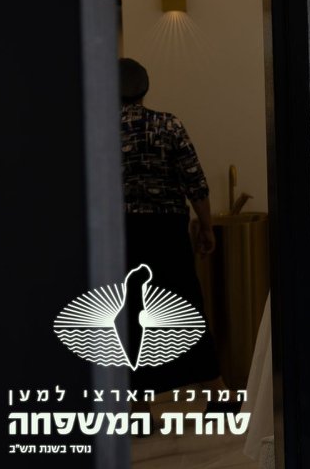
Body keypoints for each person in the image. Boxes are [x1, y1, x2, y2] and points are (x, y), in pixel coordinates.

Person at [119, 57, 223, 394]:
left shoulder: (97, 130)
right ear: (145, 89)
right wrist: (206, 227)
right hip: (167, 231)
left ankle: (139, 404)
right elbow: (195, 182)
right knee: (185, 307)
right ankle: (217, 392)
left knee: (130, 312)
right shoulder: (169, 125)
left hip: (121, 233)